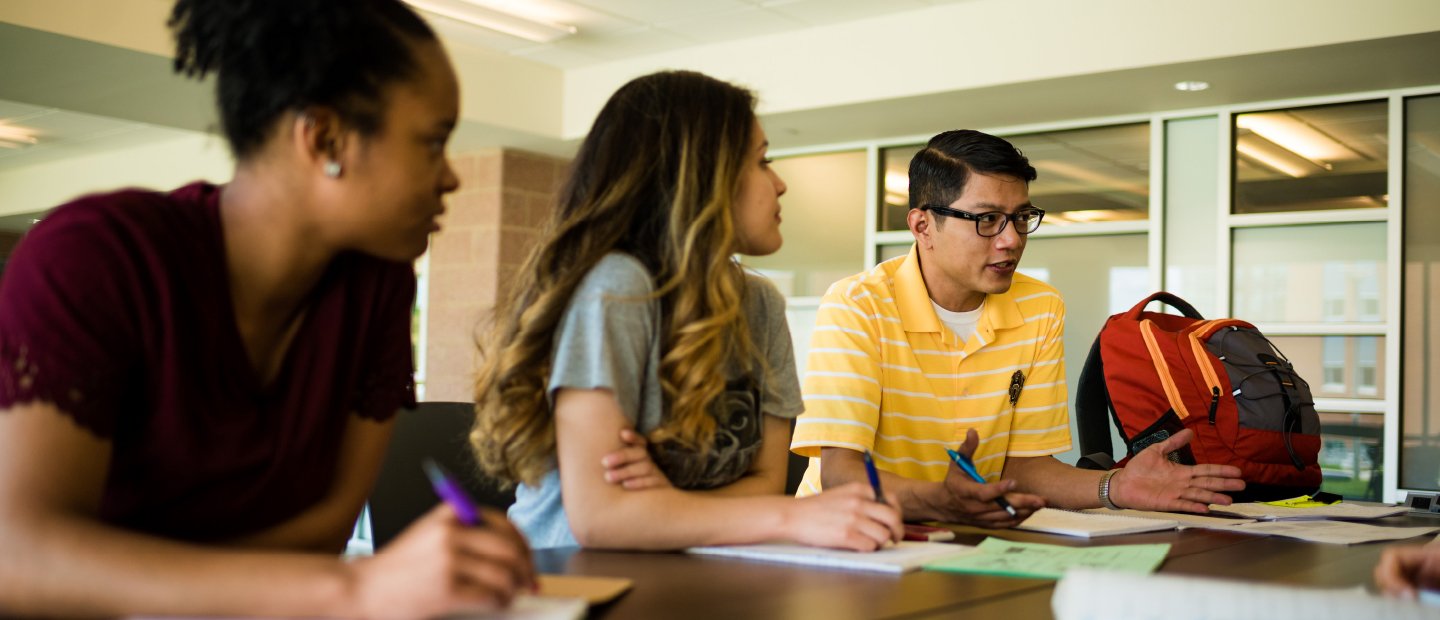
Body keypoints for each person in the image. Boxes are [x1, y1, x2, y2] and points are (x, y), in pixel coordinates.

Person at [0, 0, 535, 617]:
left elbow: (328, 525)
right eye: (433, 142)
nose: (450, 178)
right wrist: (356, 589)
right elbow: (20, 556)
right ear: (326, 138)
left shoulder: (376, 283)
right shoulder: (95, 256)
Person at [471, 70, 903, 551]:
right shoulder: (619, 288)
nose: (779, 184)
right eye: (762, 162)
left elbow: (765, 481)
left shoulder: (761, 306)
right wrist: (792, 516)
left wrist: (666, 499)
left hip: (690, 570)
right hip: (571, 577)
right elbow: (602, 517)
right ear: (698, 174)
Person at [789, 129, 1247, 528]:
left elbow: (1025, 468)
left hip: (968, 536)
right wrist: (942, 502)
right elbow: (841, 473)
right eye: (987, 220)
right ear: (923, 225)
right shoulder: (859, 304)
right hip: (848, 538)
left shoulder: (1039, 306)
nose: (1011, 239)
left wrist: (1116, 486)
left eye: (1021, 218)